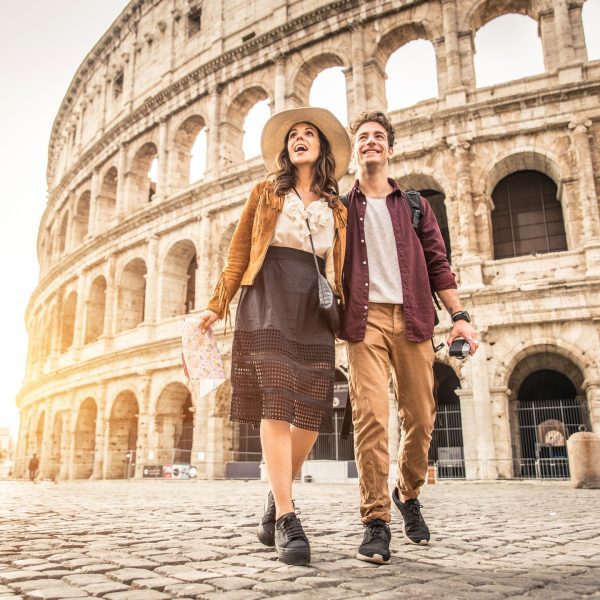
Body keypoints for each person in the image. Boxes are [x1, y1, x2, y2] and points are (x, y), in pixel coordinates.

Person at [197, 107, 351, 566]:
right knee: (277, 402)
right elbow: (239, 251)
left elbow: (343, 265)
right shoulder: (265, 192)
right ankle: (287, 515)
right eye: (293, 136)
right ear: (285, 150)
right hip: (266, 293)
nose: (300, 139)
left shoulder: (337, 206)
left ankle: (273, 495)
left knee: (311, 409)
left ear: (322, 147)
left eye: (309, 134)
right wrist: (215, 305)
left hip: (314, 299)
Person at [340, 111, 480, 564]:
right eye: (363, 137)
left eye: (379, 137)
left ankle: (407, 492)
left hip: (416, 317)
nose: (371, 142)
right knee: (371, 417)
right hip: (364, 321)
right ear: (354, 150)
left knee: (421, 416)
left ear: (390, 149)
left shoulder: (416, 206)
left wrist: (458, 315)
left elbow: (439, 264)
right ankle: (375, 521)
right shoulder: (341, 208)